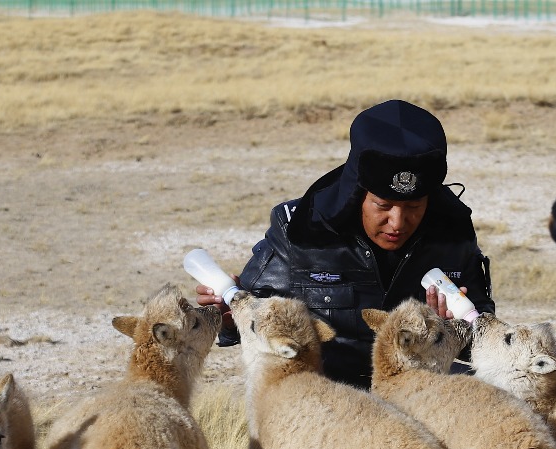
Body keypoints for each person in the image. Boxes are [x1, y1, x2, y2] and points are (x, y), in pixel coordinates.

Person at [196, 99, 494, 388]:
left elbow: (481, 343)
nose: (398, 222)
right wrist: (229, 317)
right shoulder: (301, 231)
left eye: (414, 207)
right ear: (357, 191)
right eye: (383, 205)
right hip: (328, 399)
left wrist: (451, 332)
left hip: (417, 390)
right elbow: (253, 324)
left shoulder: (453, 231)